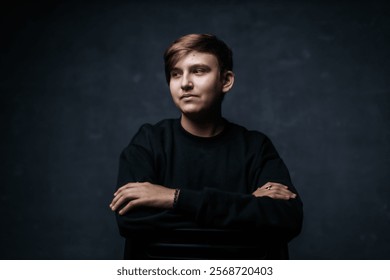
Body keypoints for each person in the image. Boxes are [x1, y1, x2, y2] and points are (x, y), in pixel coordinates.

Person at [110, 33, 303, 259]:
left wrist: (173, 198)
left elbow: (286, 219)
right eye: (175, 74)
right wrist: (245, 207)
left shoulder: (255, 147)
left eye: (199, 71)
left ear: (226, 81)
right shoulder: (149, 142)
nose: (185, 83)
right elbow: (131, 221)